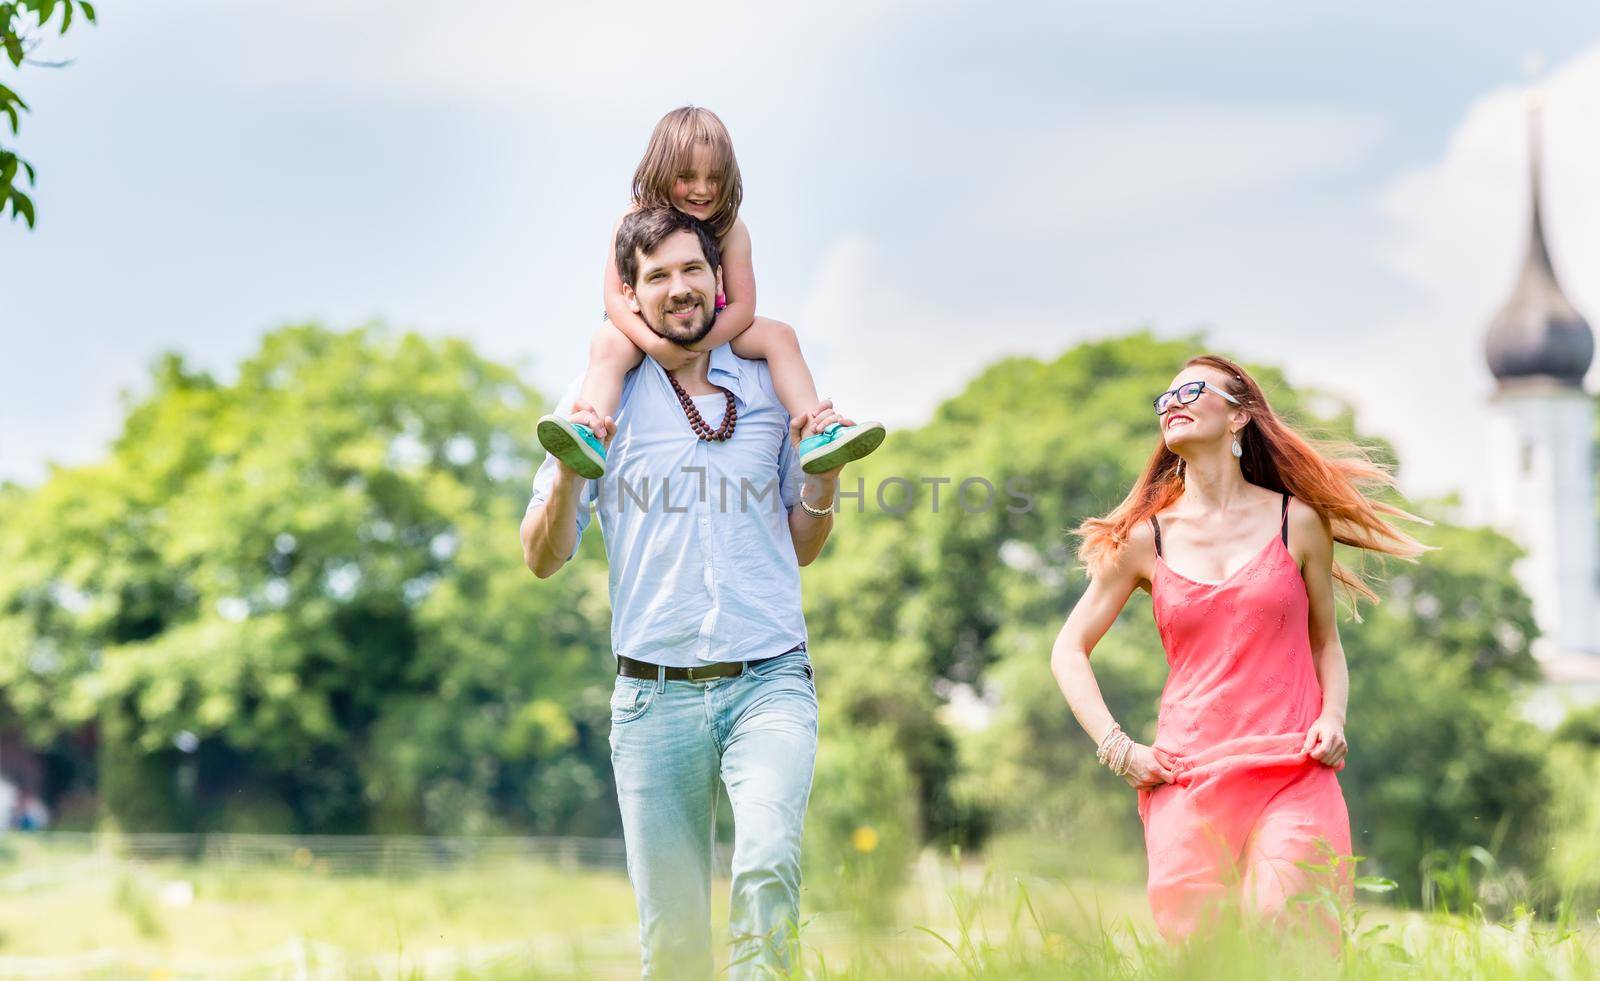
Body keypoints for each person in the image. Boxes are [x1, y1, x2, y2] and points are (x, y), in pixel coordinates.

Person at [521, 206, 847, 978]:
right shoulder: (600, 395)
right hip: (651, 698)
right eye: (657, 275)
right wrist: (570, 473)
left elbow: (802, 543)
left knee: (766, 864)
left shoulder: (770, 383)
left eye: (691, 269)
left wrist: (823, 479)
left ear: (719, 280)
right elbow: (542, 555)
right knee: (671, 944)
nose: (678, 288)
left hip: (769, 679)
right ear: (631, 295)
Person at [1050, 354, 1426, 942]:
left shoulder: (1296, 522)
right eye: (1164, 399)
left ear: (1238, 417)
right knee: (1206, 953)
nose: (1171, 403)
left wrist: (1332, 716)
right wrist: (1119, 749)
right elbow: (1068, 650)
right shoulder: (1145, 539)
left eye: (1191, 391)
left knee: (1286, 928)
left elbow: (1326, 642)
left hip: (1291, 768)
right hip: (1186, 776)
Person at [535, 105, 885, 480]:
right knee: (607, 342)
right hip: (647, 327)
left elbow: (744, 306)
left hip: (717, 324)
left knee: (780, 335)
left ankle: (816, 427)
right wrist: (656, 346)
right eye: (687, 177)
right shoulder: (631, 221)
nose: (702, 189)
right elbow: (614, 299)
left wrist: (697, 345)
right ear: (661, 171)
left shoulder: (731, 229)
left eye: (714, 178)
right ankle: (591, 427)